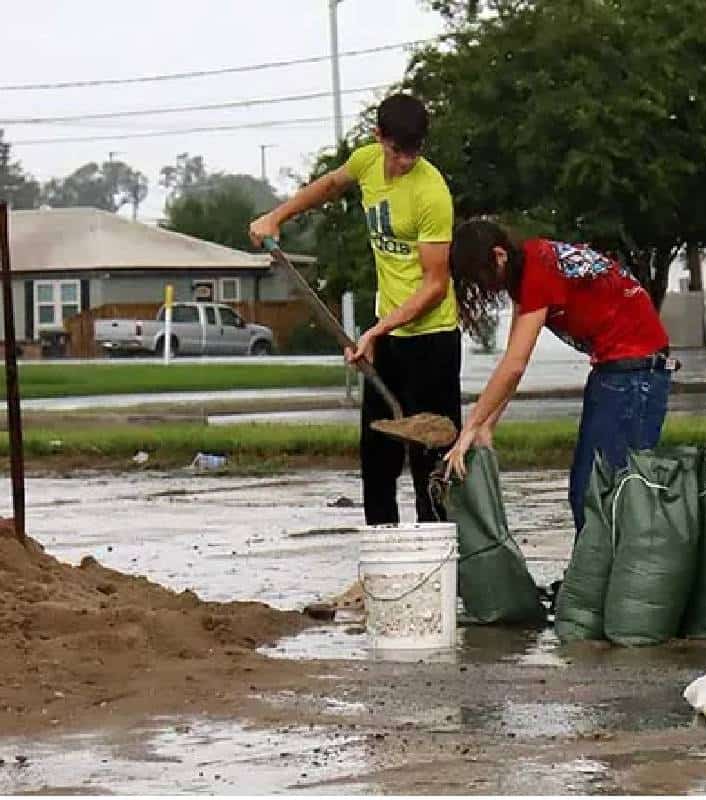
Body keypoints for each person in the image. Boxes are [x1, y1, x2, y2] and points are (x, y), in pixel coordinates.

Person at [249, 94, 460, 524]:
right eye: (398, 151)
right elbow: (329, 185)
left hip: (431, 340)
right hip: (387, 337)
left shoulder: (431, 192)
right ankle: (384, 564)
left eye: (414, 150)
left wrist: (377, 331)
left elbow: (435, 286)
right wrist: (276, 217)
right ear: (379, 137)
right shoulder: (367, 163)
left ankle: (438, 565)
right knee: (377, 457)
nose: (405, 161)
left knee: (431, 463)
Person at [442, 219, 677, 533]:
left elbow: (515, 364)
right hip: (615, 368)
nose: (485, 289)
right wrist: (487, 426)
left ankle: (610, 579)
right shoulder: (528, 266)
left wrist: (469, 428)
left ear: (499, 256)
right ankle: (592, 578)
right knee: (587, 490)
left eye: (482, 278)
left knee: (606, 494)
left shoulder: (538, 271)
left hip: (636, 372)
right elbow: (514, 355)